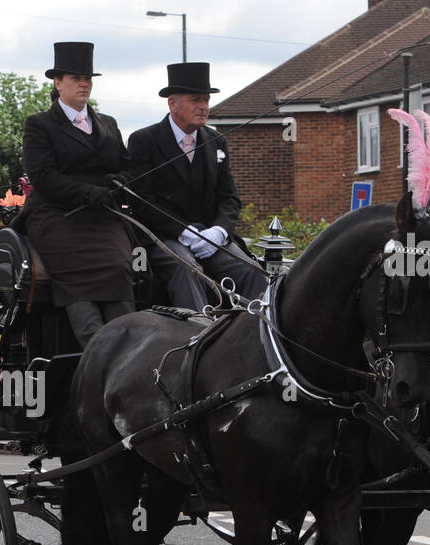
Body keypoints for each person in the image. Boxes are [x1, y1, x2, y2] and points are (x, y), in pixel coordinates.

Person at [18, 41, 134, 349]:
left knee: (118, 269)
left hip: (102, 217)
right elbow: (43, 176)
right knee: (79, 282)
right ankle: (100, 354)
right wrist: (86, 193)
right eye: (75, 78)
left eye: (88, 78)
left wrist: (119, 182)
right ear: (58, 83)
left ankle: (131, 349)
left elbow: (125, 166)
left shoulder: (108, 124)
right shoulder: (39, 124)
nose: (84, 84)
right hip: (57, 216)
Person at [127, 62, 268, 309]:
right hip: (166, 236)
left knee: (253, 271)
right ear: (173, 104)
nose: (204, 107)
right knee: (187, 269)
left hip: (211, 236)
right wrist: (184, 232)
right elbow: (143, 200)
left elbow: (229, 198)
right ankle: (198, 337)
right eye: (196, 100)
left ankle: (252, 338)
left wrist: (220, 231)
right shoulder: (144, 140)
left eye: (206, 100)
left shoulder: (216, 141)